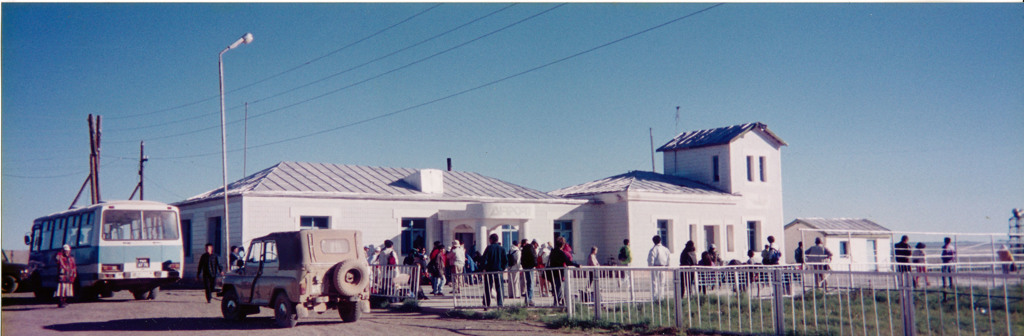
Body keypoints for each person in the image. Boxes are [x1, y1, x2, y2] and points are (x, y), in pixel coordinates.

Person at [547, 237, 579, 305]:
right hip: (559, 273)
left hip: (552, 272)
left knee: (555, 289)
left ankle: (556, 302)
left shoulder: (553, 252)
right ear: (563, 245)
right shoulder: (561, 253)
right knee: (559, 288)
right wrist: (578, 265)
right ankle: (557, 304)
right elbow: (568, 262)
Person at [481, 234, 507, 308]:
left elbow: (484, 259)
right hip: (498, 271)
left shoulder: (489, 248)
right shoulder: (502, 249)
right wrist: (502, 268)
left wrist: (484, 268)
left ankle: (486, 304)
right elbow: (505, 261)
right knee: (499, 288)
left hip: (489, 271)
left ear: (491, 239)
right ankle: (500, 304)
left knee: (488, 288)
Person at [647, 235, 671, 300]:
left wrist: (650, 266)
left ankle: (655, 298)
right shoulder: (665, 249)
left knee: (655, 283)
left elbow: (651, 260)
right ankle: (661, 297)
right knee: (662, 283)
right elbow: (669, 258)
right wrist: (667, 266)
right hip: (663, 267)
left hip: (655, 267)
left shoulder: (653, 249)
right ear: (660, 240)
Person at [520, 239, 537, 306]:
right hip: (530, 267)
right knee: (530, 283)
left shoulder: (525, 248)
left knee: (529, 283)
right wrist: (535, 264)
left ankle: (527, 299)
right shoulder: (530, 247)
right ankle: (529, 299)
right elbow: (533, 256)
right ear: (535, 243)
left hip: (526, 267)